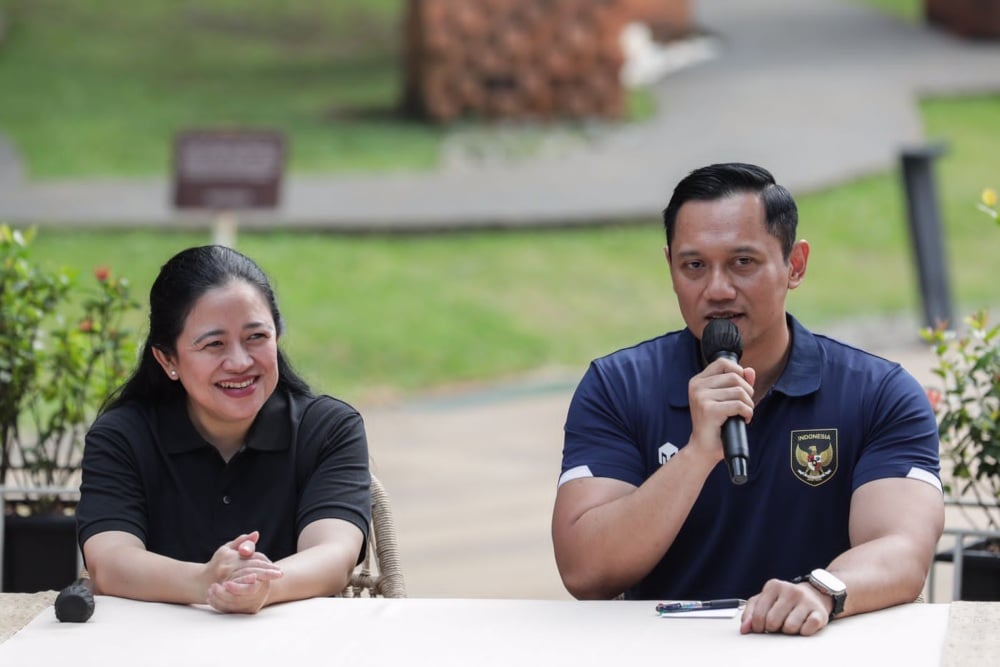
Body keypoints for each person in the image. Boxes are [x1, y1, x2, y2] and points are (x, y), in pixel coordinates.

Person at [551, 162, 944, 636]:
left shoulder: (879, 393)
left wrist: (820, 591)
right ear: (671, 267)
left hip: (821, 649)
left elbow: (903, 548)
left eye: (743, 262)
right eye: (694, 265)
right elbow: (585, 569)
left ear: (794, 265)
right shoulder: (617, 387)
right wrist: (697, 455)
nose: (717, 289)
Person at [76, 245, 371, 614]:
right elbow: (109, 561)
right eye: (214, 344)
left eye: (256, 337)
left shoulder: (329, 429)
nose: (240, 362)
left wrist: (260, 587)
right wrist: (205, 582)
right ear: (168, 359)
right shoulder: (122, 437)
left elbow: (334, 554)